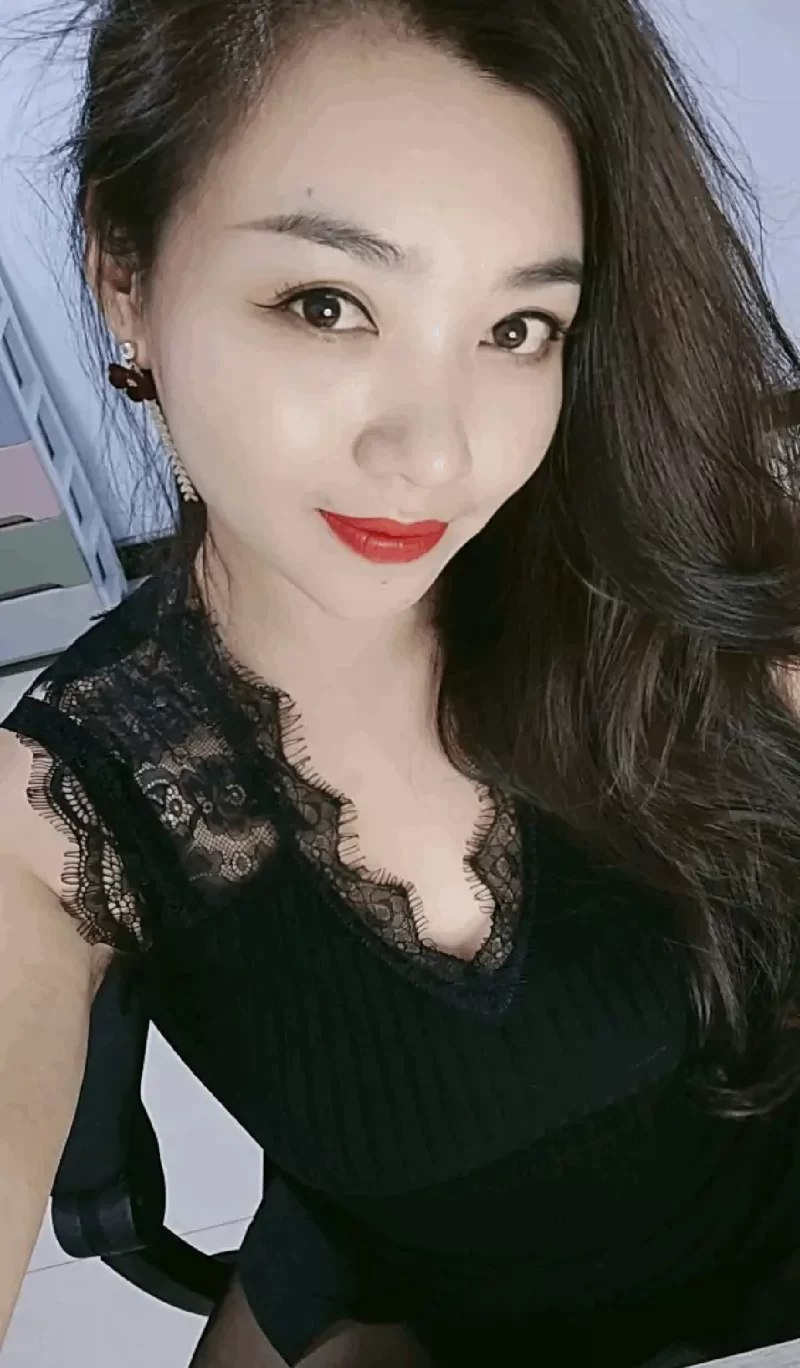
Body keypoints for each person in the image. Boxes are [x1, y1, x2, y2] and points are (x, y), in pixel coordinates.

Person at [1, 0, 800, 1363]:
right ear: (123, 271)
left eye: (519, 328)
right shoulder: (62, 814)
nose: (437, 456)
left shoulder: (670, 585)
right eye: (328, 305)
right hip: (435, 1305)